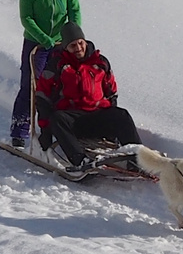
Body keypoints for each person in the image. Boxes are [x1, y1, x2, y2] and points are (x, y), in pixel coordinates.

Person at [32, 22, 142, 170]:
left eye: (80, 43)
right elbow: (42, 97)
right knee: (57, 118)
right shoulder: (57, 65)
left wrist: (112, 123)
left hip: (97, 116)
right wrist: (45, 131)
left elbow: (111, 93)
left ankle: (139, 159)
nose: (78, 48)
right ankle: (79, 160)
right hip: (73, 121)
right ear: (66, 47)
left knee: (122, 115)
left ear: (85, 41)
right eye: (72, 45)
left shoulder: (100, 62)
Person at [11, 0, 81, 147]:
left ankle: (57, 128)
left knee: (61, 85)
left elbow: (74, 10)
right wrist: (43, 38)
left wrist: (72, 35)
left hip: (61, 43)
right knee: (31, 85)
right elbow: (26, 18)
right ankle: (20, 129)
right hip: (36, 43)